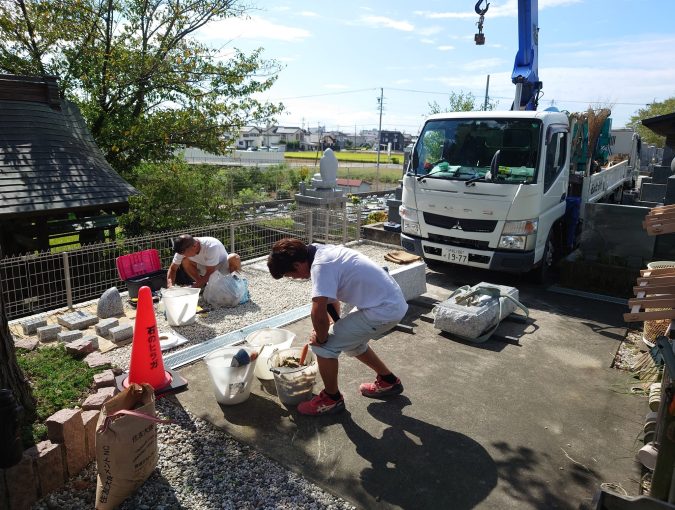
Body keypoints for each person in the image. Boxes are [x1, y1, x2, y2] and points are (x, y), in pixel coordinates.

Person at [267, 238, 408, 416]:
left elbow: (317, 312)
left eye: (290, 275)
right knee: (349, 341)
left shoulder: (320, 266)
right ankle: (389, 381)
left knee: (324, 347)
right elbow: (330, 301)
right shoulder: (317, 251)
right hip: (388, 302)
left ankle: (332, 399)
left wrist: (321, 337)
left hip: (383, 310)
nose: (294, 278)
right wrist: (330, 326)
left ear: (297, 264)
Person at [167, 234, 241, 289]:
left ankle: (234, 283)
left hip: (222, 268)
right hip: (206, 267)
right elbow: (173, 269)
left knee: (234, 257)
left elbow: (210, 273)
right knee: (185, 260)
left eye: (185, 253)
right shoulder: (183, 249)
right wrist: (170, 286)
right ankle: (201, 284)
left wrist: (191, 287)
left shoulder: (211, 246)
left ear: (195, 246)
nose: (183, 255)